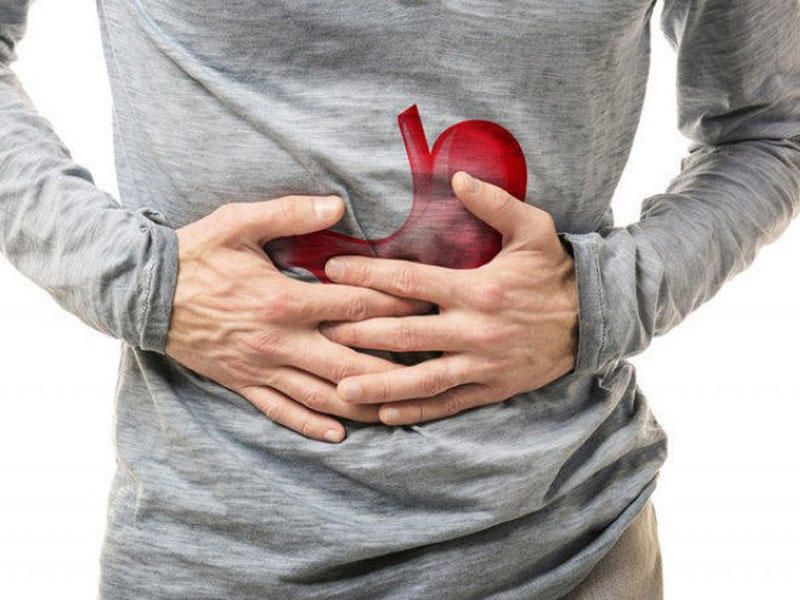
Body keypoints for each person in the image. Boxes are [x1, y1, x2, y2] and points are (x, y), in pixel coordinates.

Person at [1, 1, 798, 598]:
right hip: (216, 550)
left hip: (562, 550)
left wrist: (605, 299)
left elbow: (770, 127)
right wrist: (143, 281)